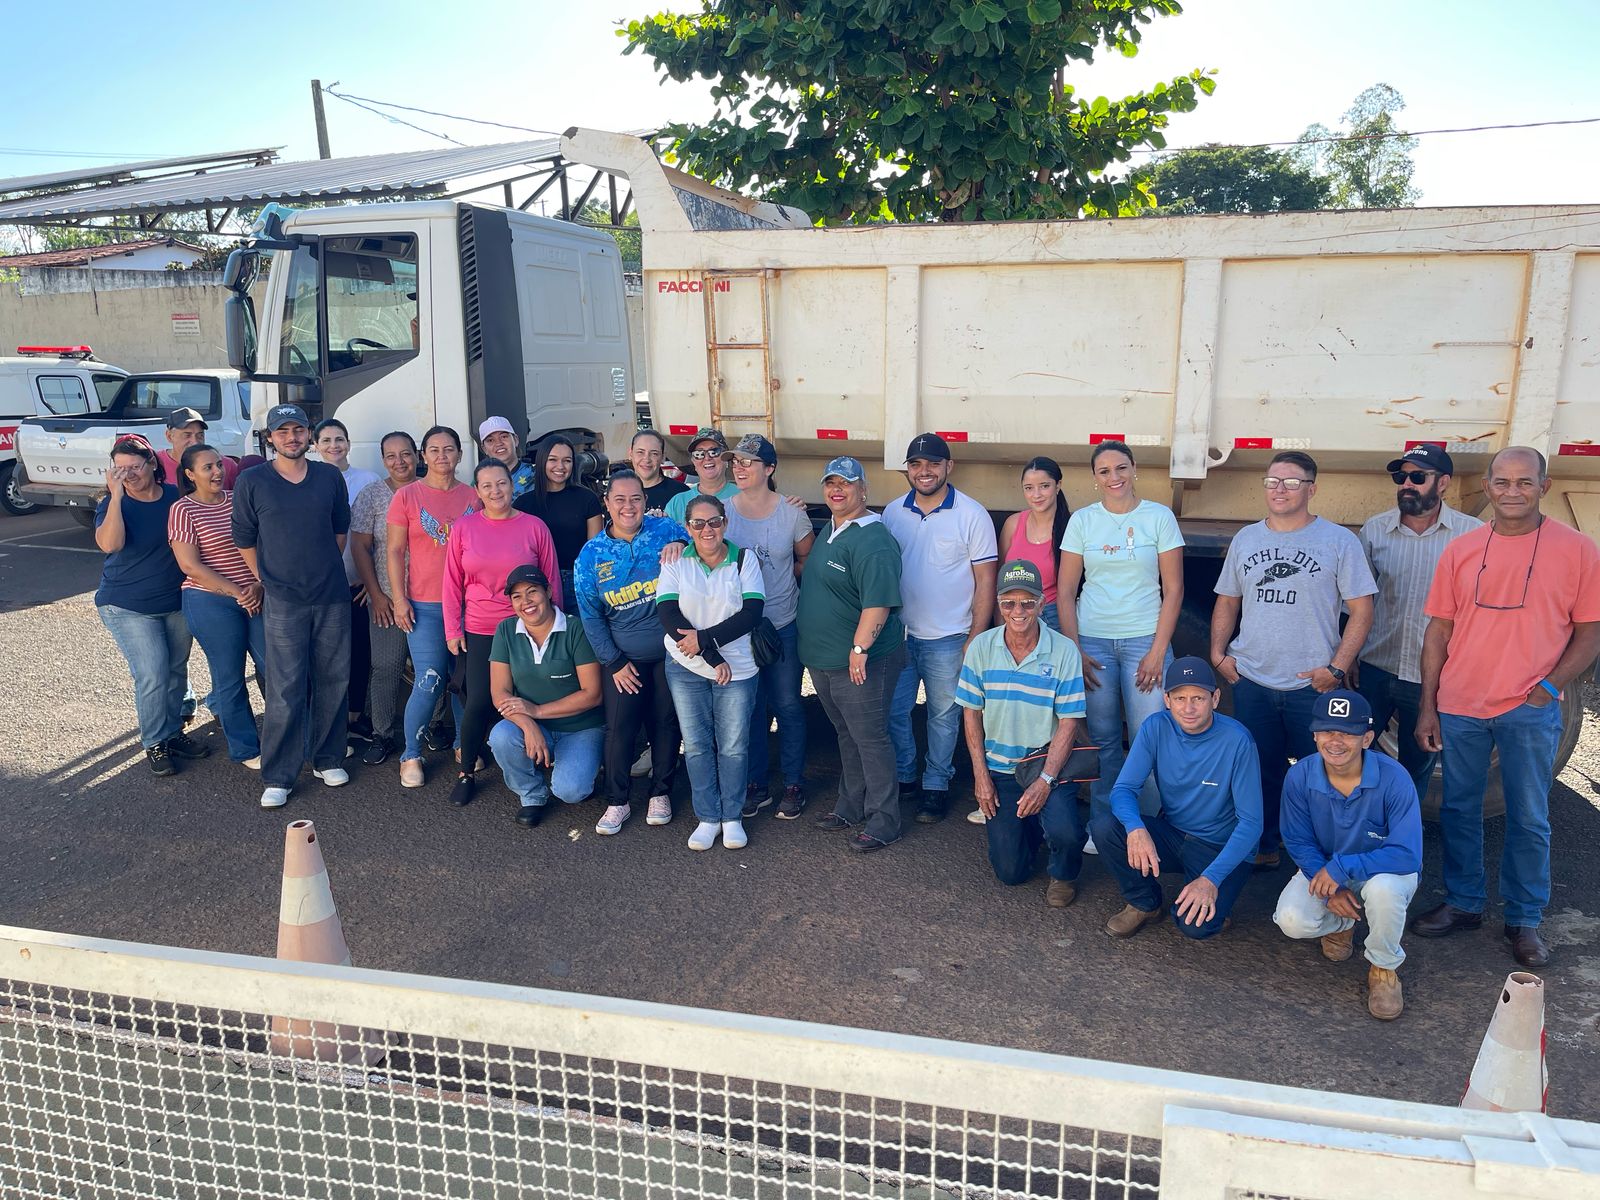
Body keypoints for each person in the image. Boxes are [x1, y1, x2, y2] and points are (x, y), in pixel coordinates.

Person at [1411, 446, 1600, 969]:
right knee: (1458, 810)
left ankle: (1524, 919)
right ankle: (1464, 903)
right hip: (1462, 704)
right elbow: (1439, 630)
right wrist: (1429, 705)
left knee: (1529, 816)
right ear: (1487, 486)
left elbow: (1590, 632)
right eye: (1502, 482)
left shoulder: (1578, 550)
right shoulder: (1462, 550)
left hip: (1529, 709)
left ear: (1543, 485)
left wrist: (1550, 687)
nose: (1512, 491)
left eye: (1523, 482)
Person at [1210, 451, 1376, 868]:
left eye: (1291, 482)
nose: (1279, 489)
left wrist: (1336, 668)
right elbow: (1227, 600)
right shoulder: (1247, 539)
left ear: (1312, 489)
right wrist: (1217, 653)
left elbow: (1362, 609)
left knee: (1321, 776)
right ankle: (1264, 847)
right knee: (1258, 773)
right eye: (1272, 481)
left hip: (1312, 686)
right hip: (1253, 680)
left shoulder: (1339, 541)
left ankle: (1318, 858)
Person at [1058, 440, 1184, 839]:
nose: (1114, 477)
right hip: (1093, 644)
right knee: (1104, 741)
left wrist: (1158, 651)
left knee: (1149, 740)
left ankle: (1142, 829)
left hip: (1144, 642)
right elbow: (1064, 592)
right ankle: (1103, 827)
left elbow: (1175, 589)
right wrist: (1073, 648)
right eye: (1104, 471)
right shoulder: (1082, 521)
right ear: (1095, 479)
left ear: (1134, 470)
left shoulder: (1159, 518)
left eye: (1121, 468)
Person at [1089, 657, 1264, 940]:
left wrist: (1211, 879)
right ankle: (1144, 903)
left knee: (1196, 926)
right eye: (1180, 698)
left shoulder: (1238, 741)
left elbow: (1251, 824)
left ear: (1215, 698)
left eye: (1198, 698)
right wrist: (1135, 829)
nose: (1189, 708)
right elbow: (1123, 790)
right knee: (1105, 827)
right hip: (1173, 832)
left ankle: (1213, 895)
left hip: (1217, 846)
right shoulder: (1155, 726)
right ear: (1167, 700)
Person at [231, 403, 352, 809]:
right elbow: (245, 538)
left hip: (331, 594)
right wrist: (268, 579)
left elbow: (339, 532)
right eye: (282, 432)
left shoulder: (329, 477)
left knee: (333, 678)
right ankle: (279, 774)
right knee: (285, 687)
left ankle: (328, 757)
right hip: (283, 600)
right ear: (270, 438)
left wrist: (319, 570)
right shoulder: (252, 481)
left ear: (309, 435)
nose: (291, 437)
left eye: (298, 430)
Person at [1274, 689, 1420, 1021]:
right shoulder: (1300, 775)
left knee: (1384, 892)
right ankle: (1342, 923)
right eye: (1327, 731)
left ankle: (1383, 968)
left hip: (1382, 870)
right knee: (1292, 921)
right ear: (1314, 735)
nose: (1335, 741)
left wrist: (1342, 868)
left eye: (1348, 733)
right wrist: (1332, 889)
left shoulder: (1394, 778)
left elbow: (1407, 855)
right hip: (1328, 869)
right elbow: (1298, 841)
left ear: (1367, 738)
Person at [882, 433, 998, 824]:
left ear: (949, 467)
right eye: (915, 464)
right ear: (908, 470)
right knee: (895, 712)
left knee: (943, 716)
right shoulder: (893, 513)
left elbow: (986, 581)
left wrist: (975, 637)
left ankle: (936, 785)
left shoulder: (972, 513)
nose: (924, 471)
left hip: (950, 636)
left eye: (933, 463)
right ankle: (904, 777)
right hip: (900, 635)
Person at [957, 560, 1088, 905]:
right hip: (1000, 768)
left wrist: (1045, 781)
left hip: (1046, 764)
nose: (1018, 610)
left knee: (1069, 833)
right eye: (1009, 603)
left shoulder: (1064, 651)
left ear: (1041, 604)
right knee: (1010, 874)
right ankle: (1031, 828)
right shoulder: (981, 649)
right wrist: (980, 776)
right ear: (998, 604)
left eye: (1028, 602)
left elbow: (1070, 722)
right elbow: (971, 715)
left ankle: (1064, 873)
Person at [1356, 444, 1481, 802]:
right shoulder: (1375, 531)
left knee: (1417, 764)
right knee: (1352, 756)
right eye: (1401, 476)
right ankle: (1354, 835)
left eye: (1417, 477)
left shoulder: (1472, 536)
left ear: (1443, 483)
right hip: (1375, 667)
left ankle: (1402, 844)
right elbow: (1357, 603)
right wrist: (1348, 657)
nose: (1406, 484)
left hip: (1433, 675)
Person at [798, 456, 907, 853]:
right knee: (847, 733)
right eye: (830, 483)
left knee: (871, 738)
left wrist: (860, 648)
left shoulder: (873, 538)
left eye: (846, 483)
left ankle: (885, 819)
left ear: (864, 489)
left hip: (862, 661)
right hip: (826, 660)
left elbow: (878, 603)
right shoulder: (833, 527)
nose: (836, 489)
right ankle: (850, 804)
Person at [443, 459, 562, 807]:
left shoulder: (534, 527)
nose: (496, 491)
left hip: (529, 625)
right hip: (481, 627)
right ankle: (466, 771)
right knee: (480, 700)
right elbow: (452, 582)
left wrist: (555, 625)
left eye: (502, 483)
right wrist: (453, 628)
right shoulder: (464, 528)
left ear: (513, 486)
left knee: (533, 693)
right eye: (487, 486)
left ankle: (536, 760)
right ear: (477, 492)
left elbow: (551, 578)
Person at [575, 470, 685, 834]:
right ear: (607, 504)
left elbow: (704, 548)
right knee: (620, 728)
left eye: (635, 498)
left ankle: (661, 793)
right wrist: (615, 662)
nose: (628, 506)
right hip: (624, 659)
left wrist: (683, 545)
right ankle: (617, 801)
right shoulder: (591, 555)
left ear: (645, 501)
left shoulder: (665, 530)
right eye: (619, 499)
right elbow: (590, 617)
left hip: (670, 652)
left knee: (665, 723)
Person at [656, 493, 766, 850]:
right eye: (698, 523)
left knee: (733, 747)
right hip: (686, 666)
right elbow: (668, 615)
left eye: (714, 522)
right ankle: (707, 817)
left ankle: (731, 817)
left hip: (738, 668)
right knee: (699, 745)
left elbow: (752, 614)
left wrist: (706, 642)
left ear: (725, 523)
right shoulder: (676, 561)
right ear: (688, 528)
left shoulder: (744, 560)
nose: (707, 529)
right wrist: (709, 654)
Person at [94, 434, 204, 776]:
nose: (128, 474)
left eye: (134, 466)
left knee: (175, 669)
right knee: (153, 673)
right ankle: (154, 743)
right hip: (126, 605)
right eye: (120, 468)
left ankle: (172, 733)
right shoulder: (113, 503)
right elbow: (110, 544)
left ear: (153, 464)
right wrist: (114, 498)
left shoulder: (175, 497)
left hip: (174, 600)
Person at [724, 434, 814, 819]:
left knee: (789, 704)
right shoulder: (723, 511)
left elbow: (806, 558)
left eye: (748, 462)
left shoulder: (791, 513)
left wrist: (781, 583)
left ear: (769, 469)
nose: (740, 468)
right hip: (740, 628)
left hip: (782, 623)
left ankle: (794, 783)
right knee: (751, 708)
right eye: (737, 462)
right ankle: (756, 784)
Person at [386, 425, 479, 789]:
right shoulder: (408, 496)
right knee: (430, 679)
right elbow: (395, 551)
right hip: (424, 604)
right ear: (424, 455)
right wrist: (398, 598)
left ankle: (462, 744)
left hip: (468, 605)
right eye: (434, 449)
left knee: (463, 679)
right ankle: (410, 753)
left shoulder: (473, 497)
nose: (442, 456)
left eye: (449, 449)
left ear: (459, 454)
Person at [168, 443, 265, 768]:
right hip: (211, 600)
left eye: (219, 465)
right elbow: (190, 565)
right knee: (230, 677)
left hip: (254, 594)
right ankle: (247, 749)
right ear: (190, 474)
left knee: (277, 668)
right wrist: (237, 591)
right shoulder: (183, 509)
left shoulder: (238, 500)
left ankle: (294, 738)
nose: (217, 472)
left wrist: (258, 584)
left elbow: (259, 544)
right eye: (207, 467)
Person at [486, 564, 605, 825]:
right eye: (516, 596)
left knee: (571, 791)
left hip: (581, 728)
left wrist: (537, 711)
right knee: (501, 736)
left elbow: (593, 694)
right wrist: (529, 724)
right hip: (535, 725)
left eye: (532, 592)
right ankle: (531, 794)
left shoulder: (576, 629)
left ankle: (589, 764)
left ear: (549, 591)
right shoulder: (506, 630)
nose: (525, 602)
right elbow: (500, 692)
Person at [349, 431, 418, 765]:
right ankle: (382, 734)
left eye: (405, 454)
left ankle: (432, 727)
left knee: (430, 668)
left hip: (429, 597)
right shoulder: (372, 495)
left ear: (417, 455)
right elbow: (360, 546)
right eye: (391, 456)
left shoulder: (430, 489)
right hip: (388, 599)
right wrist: (375, 593)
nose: (399, 462)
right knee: (386, 666)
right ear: (383, 460)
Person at [314, 418, 380, 741]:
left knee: (359, 651)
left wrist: (373, 581)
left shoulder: (368, 480)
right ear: (315, 447)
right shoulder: (308, 480)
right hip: (321, 586)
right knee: (327, 655)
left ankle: (355, 716)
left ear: (349, 444)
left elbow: (378, 536)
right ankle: (331, 720)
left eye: (339, 439)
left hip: (357, 584)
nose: (333, 446)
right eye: (325, 440)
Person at [513, 434, 603, 613]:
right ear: (541, 461)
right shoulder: (523, 504)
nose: (560, 467)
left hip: (578, 582)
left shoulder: (587, 499)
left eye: (567, 460)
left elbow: (594, 551)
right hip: (536, 583)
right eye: (553, 460)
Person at [997, 457, 1070, 633]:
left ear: (1058, 485)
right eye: (1029, 488)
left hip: (1052, 616)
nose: (1036, 495)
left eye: (1044, 486)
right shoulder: (1013, 524)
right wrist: (1000, 627)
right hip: (1013, 615)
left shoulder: (1070, 527)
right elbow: (997, 581)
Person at [664, 428, 738, 525]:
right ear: (693, 462)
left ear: (726, 458)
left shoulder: (744, 497)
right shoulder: (677, 503)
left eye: (714, 452)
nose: (707, 458)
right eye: (699, 454)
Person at [157, 407, 239, 492]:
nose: (195, 442)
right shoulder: (156, 463)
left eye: (200, 435)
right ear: (169, 436)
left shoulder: (225, 465)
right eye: (187, 435)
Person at [630, 428, 688, 517]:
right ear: (630, 454)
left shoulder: (681, 494)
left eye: (654, 453)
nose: (647, 459)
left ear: (663, 457)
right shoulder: (621, 492)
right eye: (640, 452)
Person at [478, 415, 536, 498]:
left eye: (504, 437)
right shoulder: (480, 479)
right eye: (490, 440)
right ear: (484, 449)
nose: (498, 443)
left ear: (515, 440)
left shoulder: (536, 473)